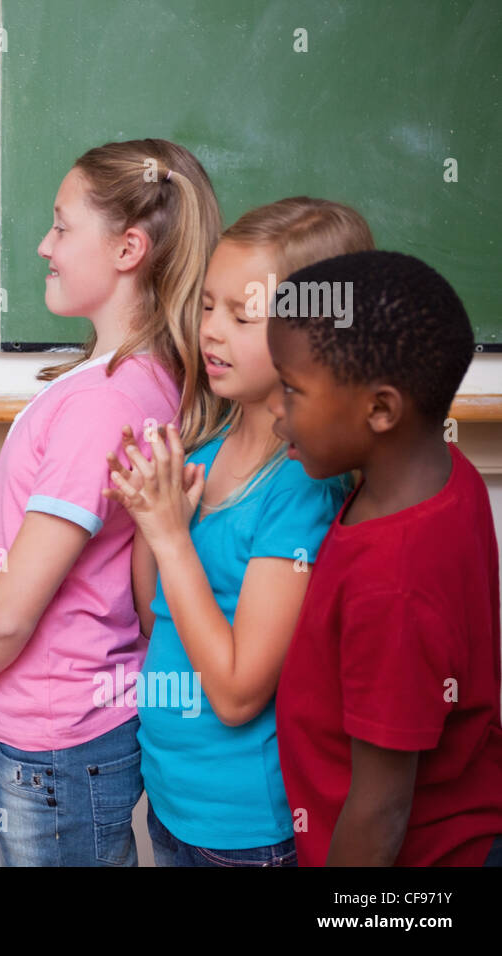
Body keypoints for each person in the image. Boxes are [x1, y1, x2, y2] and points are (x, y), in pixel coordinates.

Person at [0, 138, 220, 866]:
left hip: (51, 743)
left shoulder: (102, 404)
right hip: (76, 731)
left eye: (61, 225)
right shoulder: (142, 380)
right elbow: (48, 562)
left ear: (128, 249)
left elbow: (18, 607)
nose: (44, 244)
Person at [105, 198, 371, 866]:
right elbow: (152, 615)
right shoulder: (205, 453)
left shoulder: (301, 489)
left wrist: (171, 536)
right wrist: (152, 515)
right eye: (208, 306)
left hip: (249, 830)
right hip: (171, 806)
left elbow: (235, 692)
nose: (212, 332)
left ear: (318, 336)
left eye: (242, 315)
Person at [269, 250, 502, 866]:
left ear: (380, 410)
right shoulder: (446, 475)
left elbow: (380, 810)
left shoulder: (393, 585)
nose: (276, 415)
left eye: (291, 391)